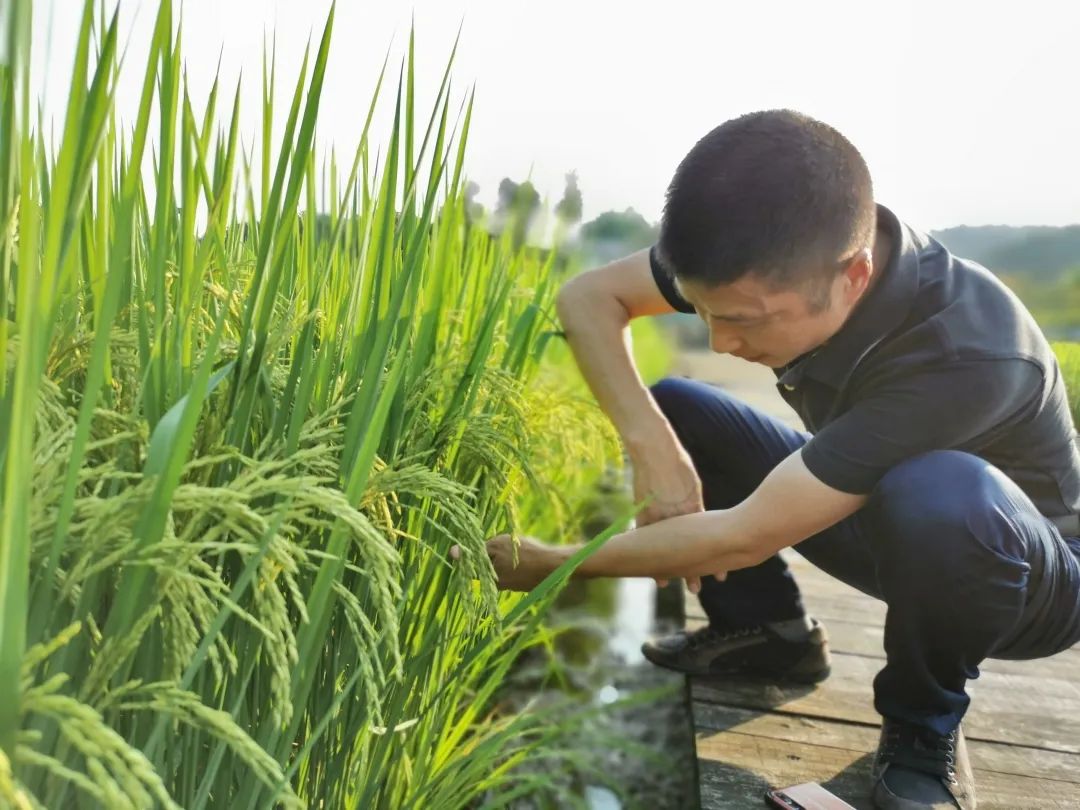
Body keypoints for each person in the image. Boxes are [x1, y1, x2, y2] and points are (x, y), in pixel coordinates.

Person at [450, 109, 1080, 809]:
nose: (721, 342)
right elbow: (588, 296)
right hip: (886, 516)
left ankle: (922, 733)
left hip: (1020, 577)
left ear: (854, 276)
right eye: (701, 312)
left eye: (745, 320)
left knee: (938, 488)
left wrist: (550, 566)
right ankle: (767, 633)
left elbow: (746, 531)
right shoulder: (774, 247)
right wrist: (654, 448)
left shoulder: (967, 352)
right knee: (680, 406)